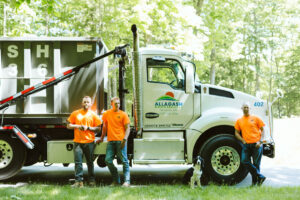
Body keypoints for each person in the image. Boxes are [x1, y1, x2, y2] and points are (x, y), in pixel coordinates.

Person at [67, 96, 101, 188]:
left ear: (90, 104)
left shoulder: (93, 115)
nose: (86, 104)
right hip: (78, 142)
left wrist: (88, 128)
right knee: (78, 162)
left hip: (89, 142)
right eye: (84, 102)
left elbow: (98, 128)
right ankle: (79, 182)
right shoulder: (75, 113)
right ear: (82, 103)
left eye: (88, 102)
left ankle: (92, 180)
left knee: (90, 162)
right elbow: (68, 125)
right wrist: (77, 126)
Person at [99, 97, 131, 187]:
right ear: (111, 104)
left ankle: (127, 182)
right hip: (111, 142)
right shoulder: (107, 114)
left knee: (124, 161)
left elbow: (128, 128)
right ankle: (116, 181)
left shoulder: (123, 114)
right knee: (108, 160)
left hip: (121, 141)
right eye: (115, 103)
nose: (117, 105)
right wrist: (101, 138)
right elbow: (104, 127)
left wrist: (125, 139)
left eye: (119, 103)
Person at [234, 102, 266, 186]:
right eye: (244, 107)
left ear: (250, 108)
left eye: (247, 107)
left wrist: (260, 141)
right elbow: (236, 133)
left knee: (256, 164)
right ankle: (260, 176)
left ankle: (255, 183)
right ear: (242, 109)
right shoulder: (239, 121)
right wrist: (242, 140)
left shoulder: (256, 118)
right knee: (244, 161)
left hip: (257, 144)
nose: (246, 109)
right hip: (246, 145)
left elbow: (263, 130)